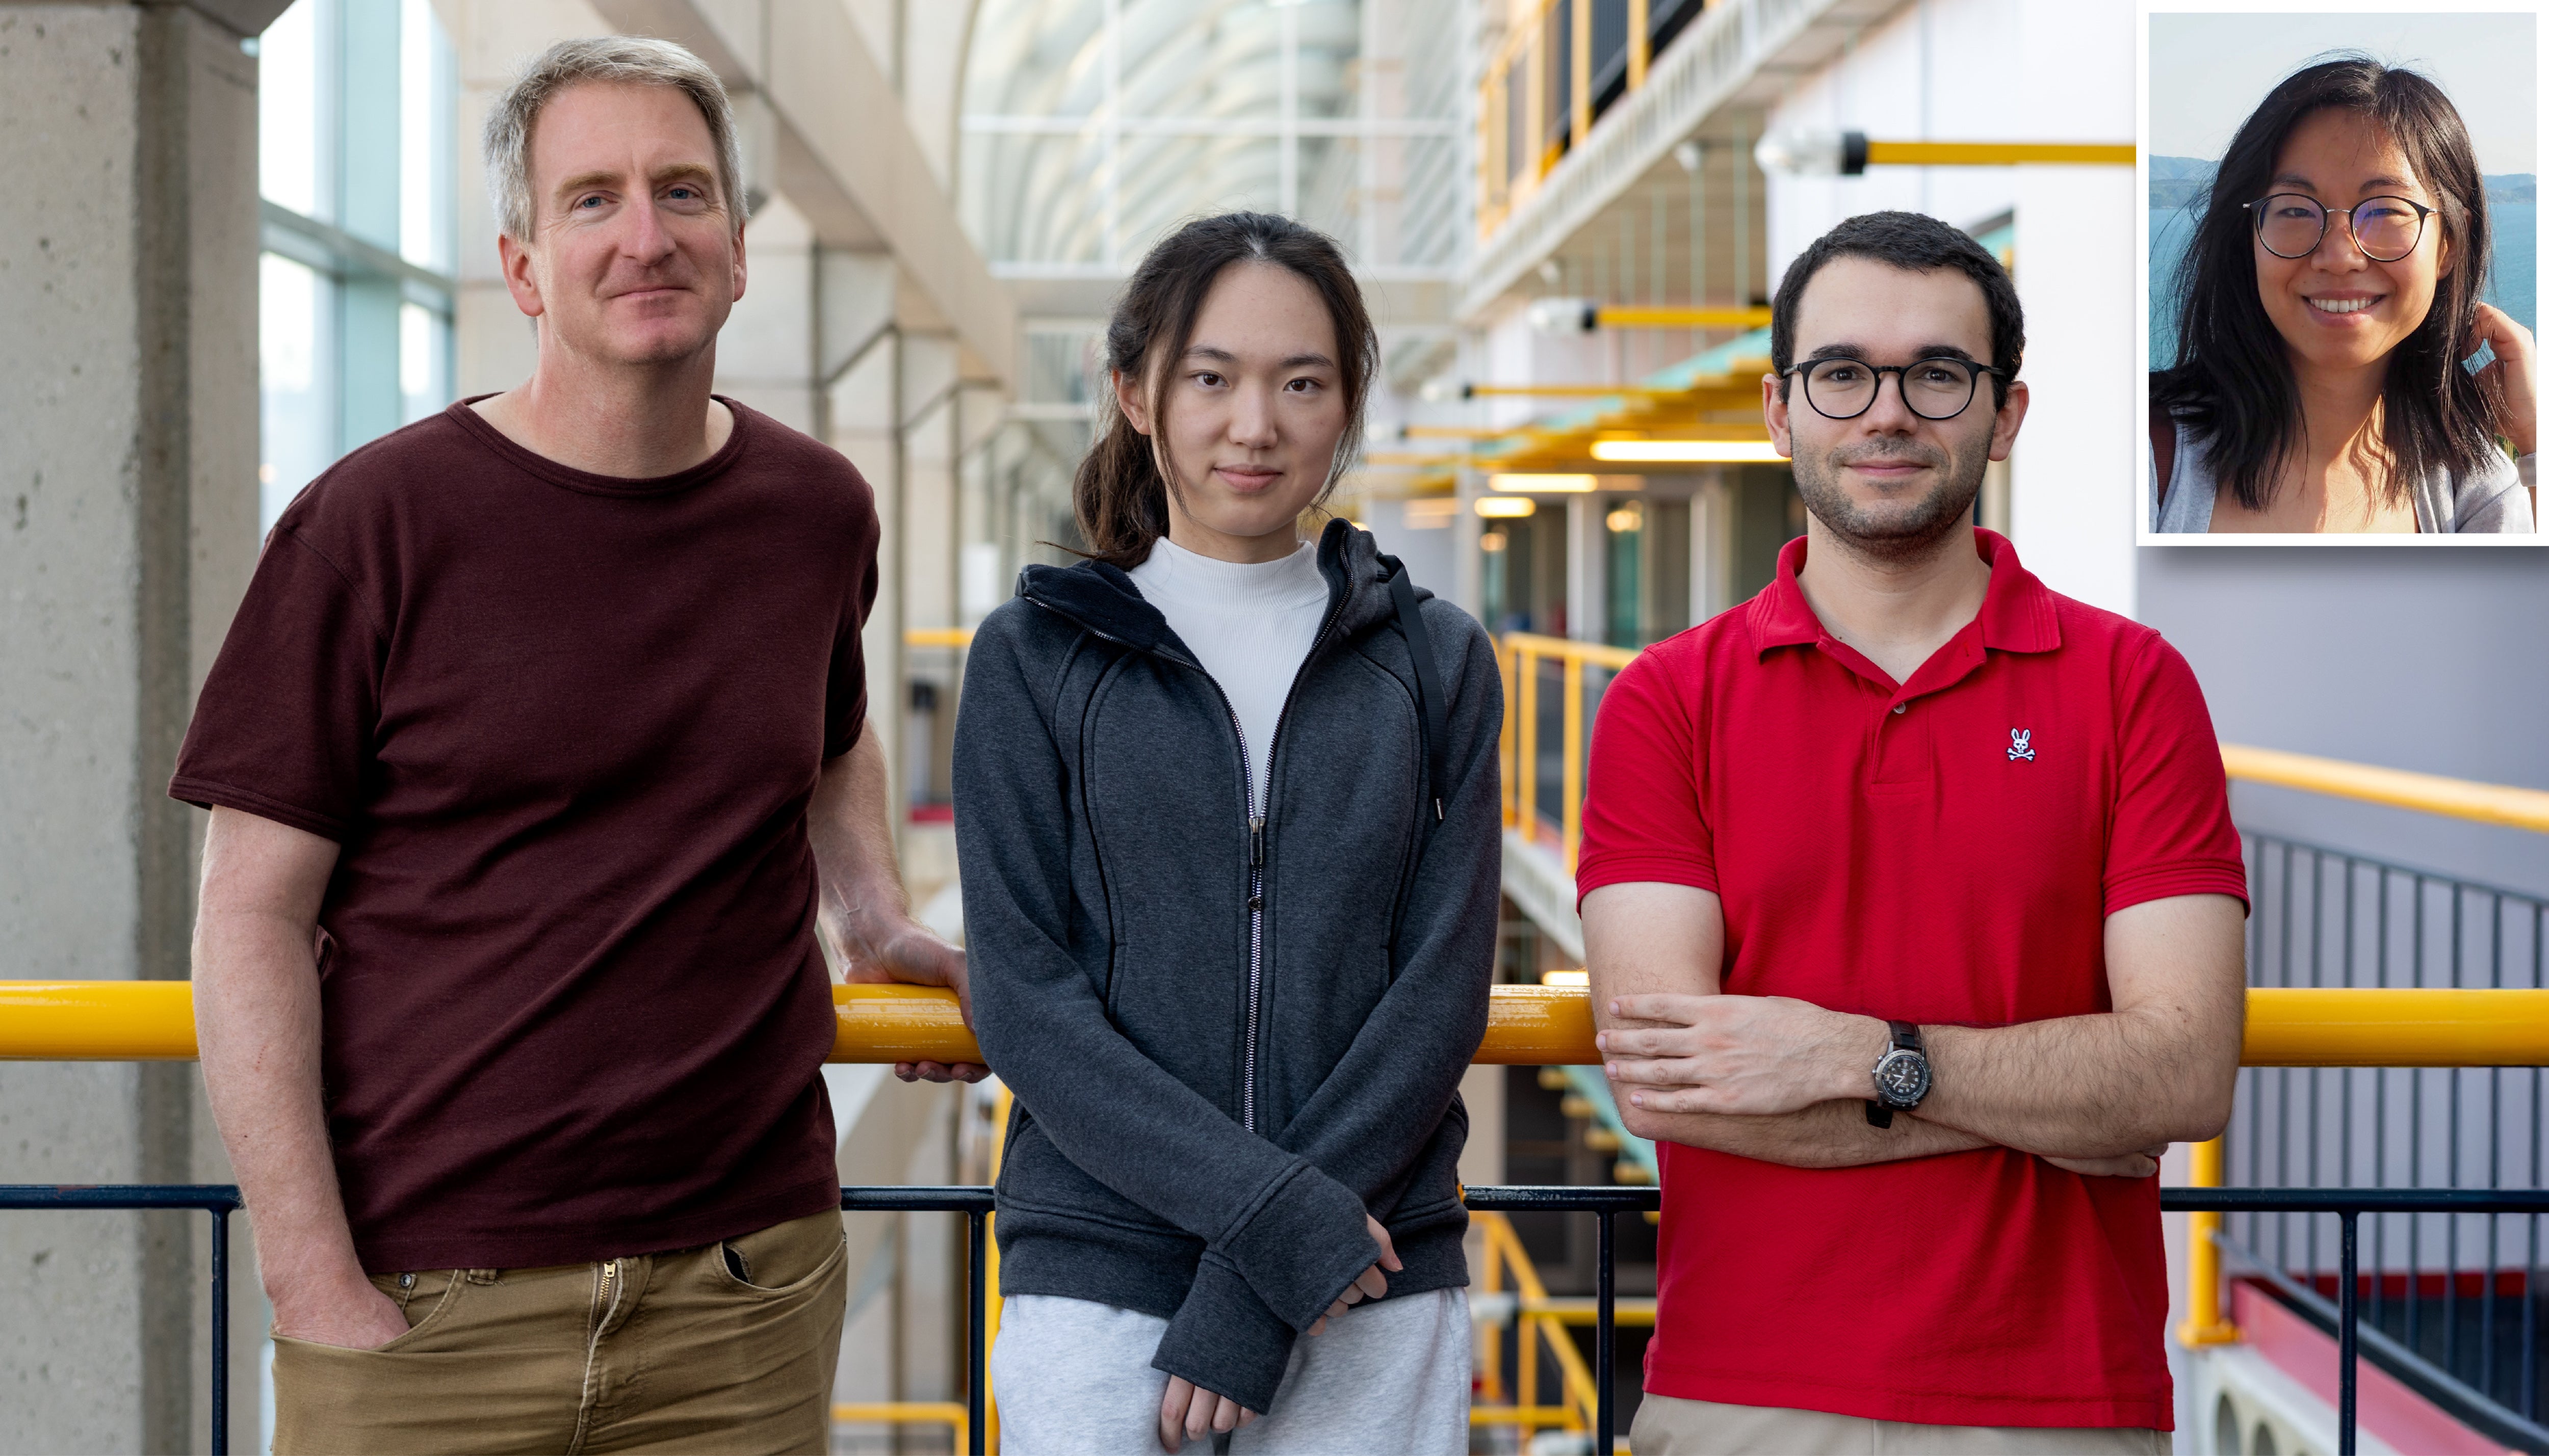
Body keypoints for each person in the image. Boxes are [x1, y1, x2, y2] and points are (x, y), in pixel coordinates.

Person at [175, 38, 978, 1455]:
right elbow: (248, 913)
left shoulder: (814, 512)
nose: (645, 235)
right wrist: (312, 1282)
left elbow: (828, 720)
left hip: (743, 1293)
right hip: (430, 1306)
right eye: (591, 199)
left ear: (738, 247)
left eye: (681, 192)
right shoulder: (375, 527)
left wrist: (871, 911)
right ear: (526, 265)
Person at [1580, 210, 2252, 1455]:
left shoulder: (2131, 684)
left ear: (2005, 415)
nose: (1886, 412)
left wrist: (1848, 1054)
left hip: (2064, 1403)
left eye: (1938, 373)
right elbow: (1665, 1082)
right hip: (1743, 1397)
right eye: (1842, 373)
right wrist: (2048, 1101)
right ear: (1780, 411)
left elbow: (2179, 1075)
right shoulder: (1664, 701)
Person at [954, 213, 1500, 1454]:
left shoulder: (1435, 659)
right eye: (1211, 378)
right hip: (1102, 1280)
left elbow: (1439, 990)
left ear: (1348, 401)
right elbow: (1029, 1002)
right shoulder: (1036, 659)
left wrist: (1265, 1278)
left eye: (1301, 383)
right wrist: (1273, 1221)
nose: (1255, 425)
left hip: (1368, 1282)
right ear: (1136, 394)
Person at [2152, 56, 2536, 533]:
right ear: (2247, 236)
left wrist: (2534, 441)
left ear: (2449, 247)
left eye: (2385, 210)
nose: (2339, 255)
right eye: (2295, 211)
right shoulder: (2146, 461)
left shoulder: (2474, 489)